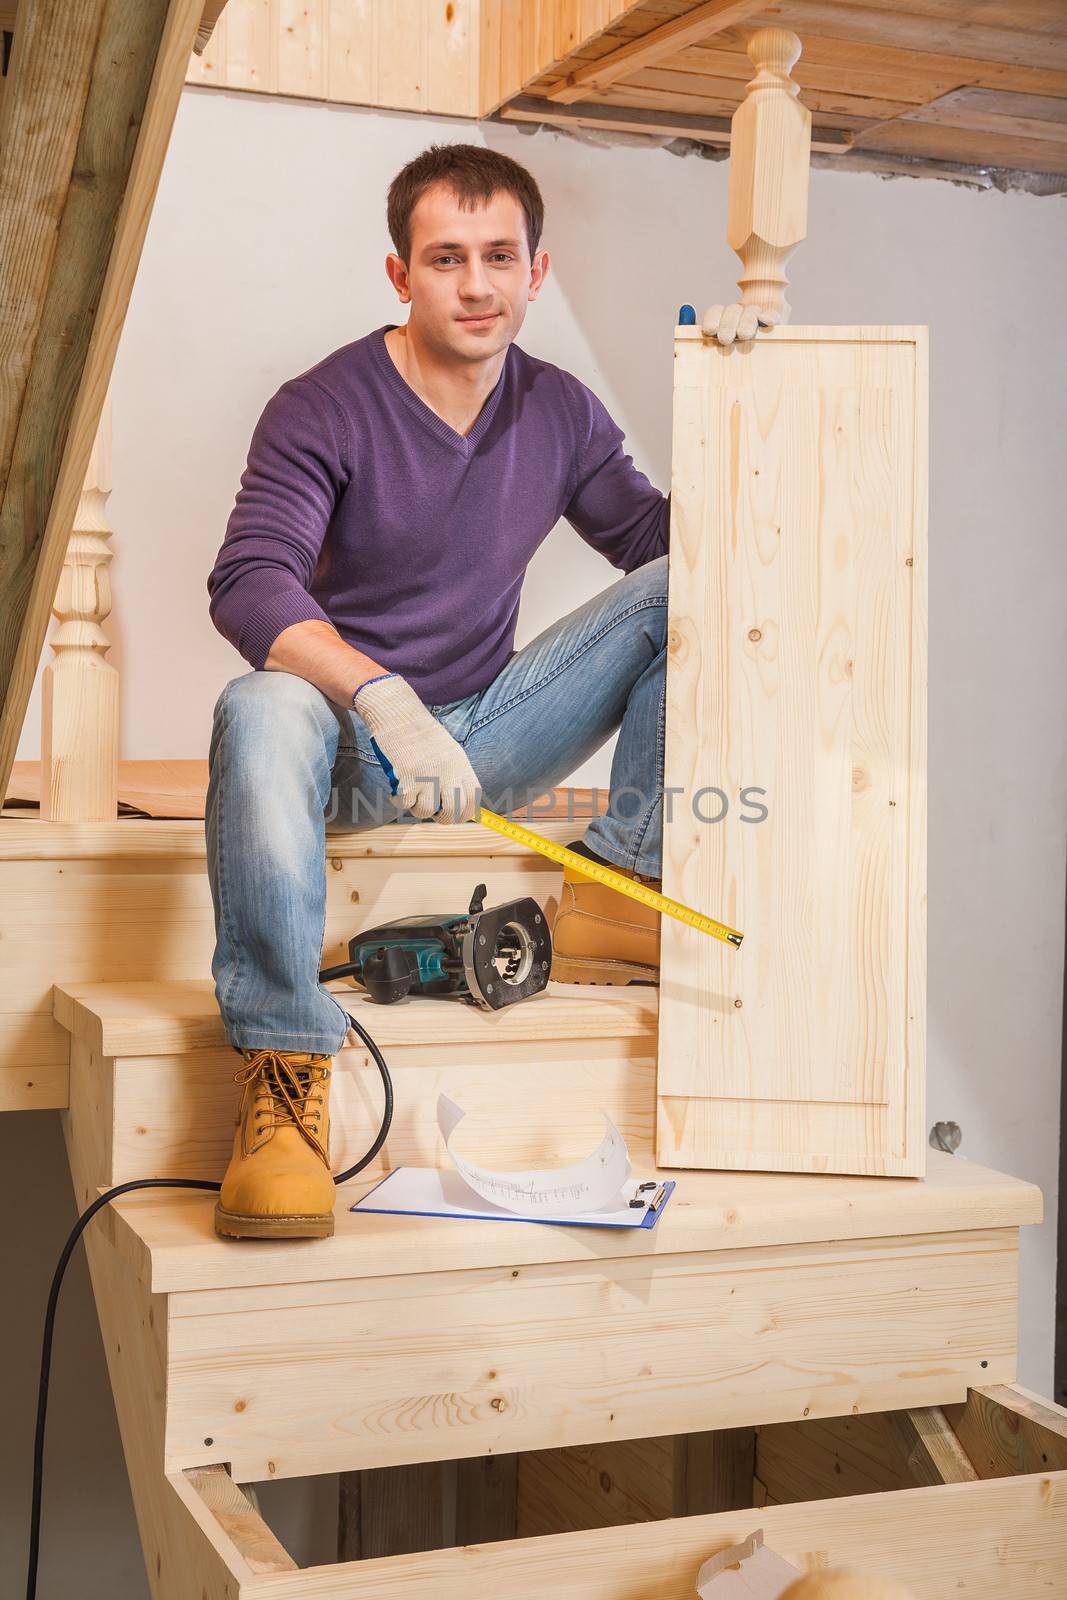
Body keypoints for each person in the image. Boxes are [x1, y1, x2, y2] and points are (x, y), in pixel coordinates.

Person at [204, 141, 762, 1241]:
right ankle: (282, 1078)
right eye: (446, 258)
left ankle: (614, 884)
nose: (474, 284)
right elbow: (248, 578)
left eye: (497, 257)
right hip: (353, 741)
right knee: (254, 704)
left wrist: (736, 403)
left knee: (681, 587)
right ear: (398, 275)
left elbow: (671, 548)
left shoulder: (557, 411)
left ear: (534, 273)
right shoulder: (323, 405)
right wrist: (382, 700)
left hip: (486, 741)